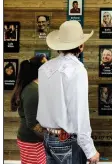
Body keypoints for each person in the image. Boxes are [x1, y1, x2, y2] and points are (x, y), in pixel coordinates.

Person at [36, 20, 100, 164]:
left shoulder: (44, 69)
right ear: (81, 46)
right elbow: (79, 112)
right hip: (67, 140)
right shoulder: (77, 70)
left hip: (47, 138)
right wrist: (90, 150)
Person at [10, 56, 47, 164]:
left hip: (33, 140)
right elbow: (33, 124)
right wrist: (51, 137)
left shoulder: (35, 88)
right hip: (32, 141)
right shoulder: (33, 91)